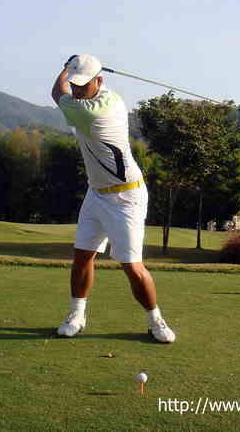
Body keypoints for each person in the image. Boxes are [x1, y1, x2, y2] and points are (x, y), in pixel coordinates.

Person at [50, 54, 175, 343]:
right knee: (82, 256)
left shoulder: (93, 113)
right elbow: (68, 89)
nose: (76, 90)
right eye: (75, 84)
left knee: (132, 266)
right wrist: (73, 70)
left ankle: (155, 320)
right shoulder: (109, 96)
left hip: (126, 197)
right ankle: (77, 315)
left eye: (83, 85)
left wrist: (65, 68)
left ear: (99, 80)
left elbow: (57, 91)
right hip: (96, 193)